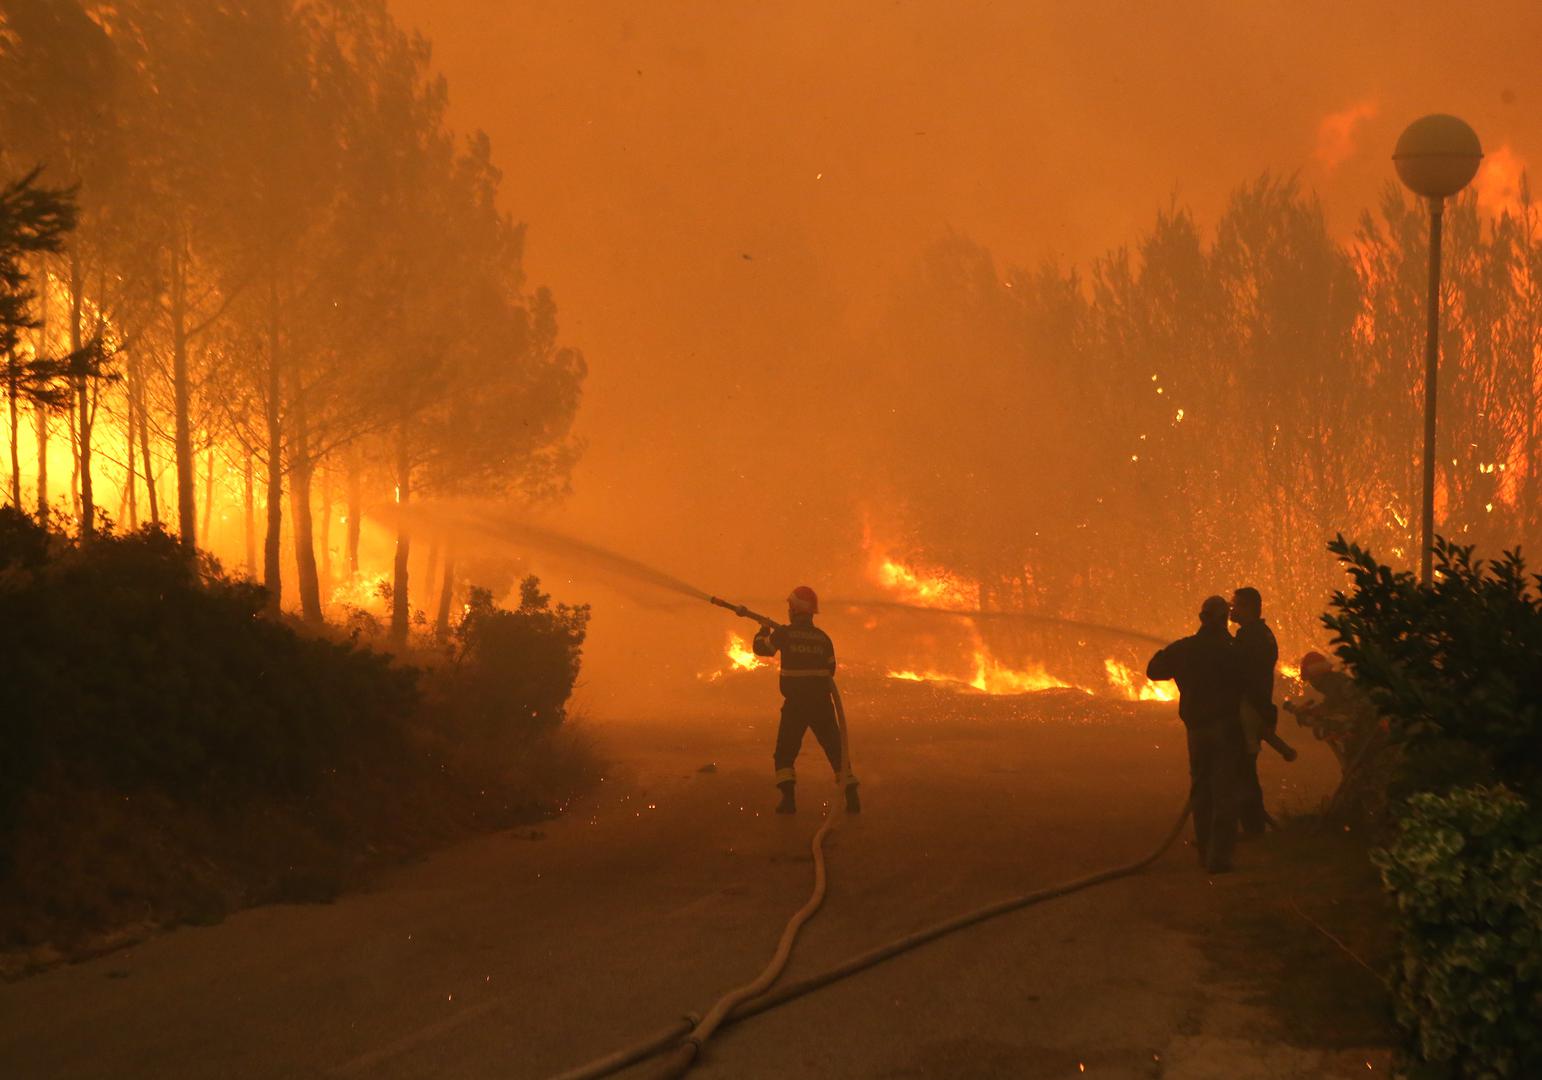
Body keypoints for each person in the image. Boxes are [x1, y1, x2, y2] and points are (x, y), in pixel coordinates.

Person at [1146, 595, 1244, 872]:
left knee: (1201, 792)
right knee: (1225, 792)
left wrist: (1166, 655)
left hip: (1197, 730)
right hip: (1226, 728)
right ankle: (1219, 858)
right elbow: (1248, 684)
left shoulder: (1184, 648)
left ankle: (1204, 853)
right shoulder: (1232, 650)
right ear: (1224, 618)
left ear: (1202, 618)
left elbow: (1154, 670)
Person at [752, 586, 860, 815]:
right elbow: (831, 669)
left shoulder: (784, 634)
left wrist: (763, 628)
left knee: (785, 752)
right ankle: (852, 798)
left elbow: (761, 649)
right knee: (836, 750)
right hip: (822, 703)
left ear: (794, 610)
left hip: (796, 705)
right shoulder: (823, 638)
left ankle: (788, 801)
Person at [1230, 586, 1279, 835]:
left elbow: (1241, 673)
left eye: (1236, 605)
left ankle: (1253, 828)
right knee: (1245, 770)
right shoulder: (1262, 634)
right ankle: (1254, 825)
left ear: (1248, 607)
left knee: (1243, 770)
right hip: (1258, 708)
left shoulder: (1250, 637)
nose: (1232, 610)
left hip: (1249, 710)